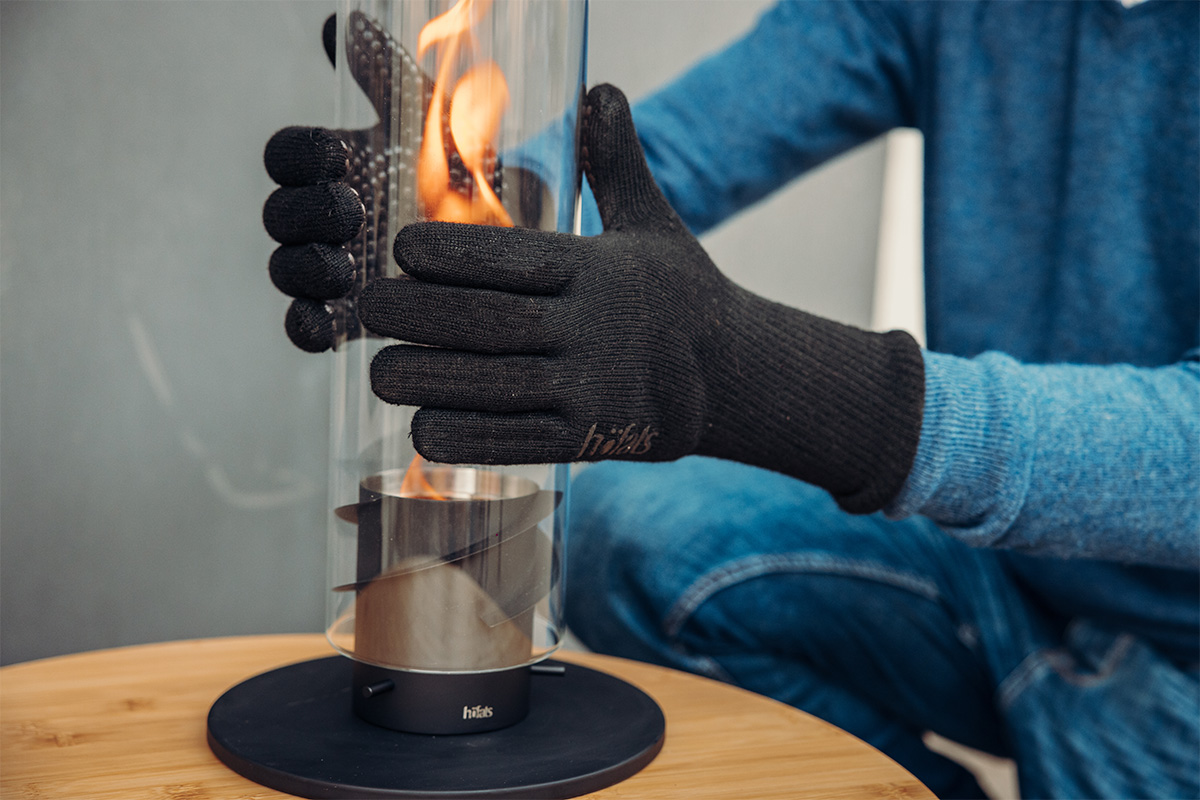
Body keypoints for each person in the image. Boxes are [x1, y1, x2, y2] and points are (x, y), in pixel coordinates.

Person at [262, 2, 1198, 797]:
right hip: (1008, 579)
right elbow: (699, 137)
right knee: (631, 531)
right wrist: (482, 202)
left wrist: (766, 377)